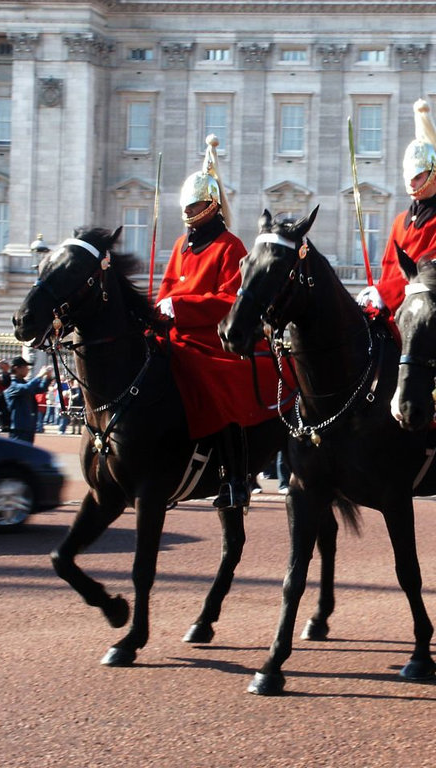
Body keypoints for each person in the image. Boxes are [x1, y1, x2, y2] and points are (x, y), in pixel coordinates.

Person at [156, 134, 279, 510]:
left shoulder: (231, 246)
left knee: (212, 381)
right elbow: (165, 288)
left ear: (211, 205)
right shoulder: (180, 245)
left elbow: (229, 298)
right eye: (187, 204)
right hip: (176, 332)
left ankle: (234, 477)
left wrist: (180, 307)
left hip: (214, 338)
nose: (190, 210)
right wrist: (159, 308)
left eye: (196, 204)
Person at [358, 99, 436, 316]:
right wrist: (377, 292)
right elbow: (389, 267)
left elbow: (435, 272)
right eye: (409, 176)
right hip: (391, 306)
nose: (411, 182)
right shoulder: (400, 220)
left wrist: (387, 293)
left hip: (426, 311)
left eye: (418, 177)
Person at [3, 357, 53, 443]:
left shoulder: (23, 382)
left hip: (28, 425)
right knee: (18, 453)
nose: (27, 369)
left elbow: (40, 389)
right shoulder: (11, 383)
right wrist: (39, 376)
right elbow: (27, 388)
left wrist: (47, 377)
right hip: (18, 426)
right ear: (16, 368)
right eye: (25, 367)